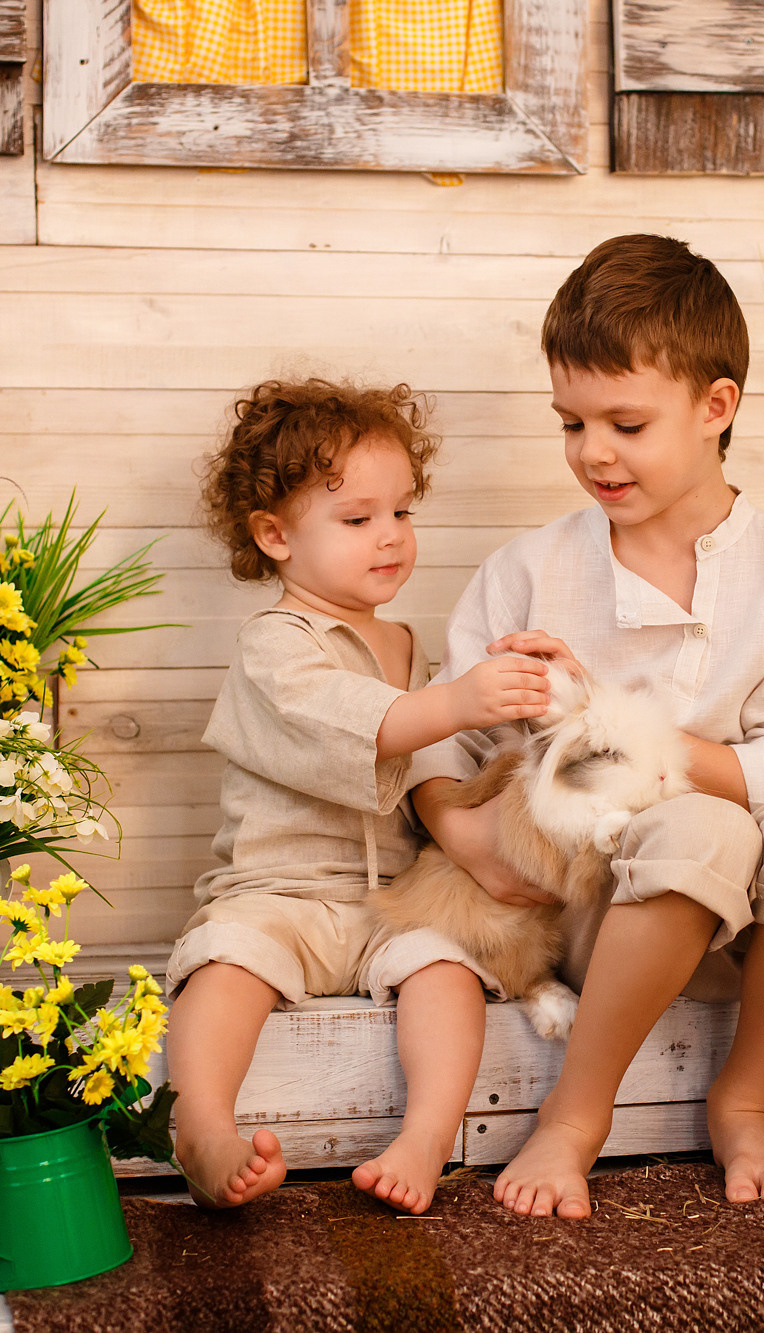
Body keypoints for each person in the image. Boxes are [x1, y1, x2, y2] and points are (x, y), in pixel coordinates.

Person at [409, 235, 764, 1219]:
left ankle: (744, 1100)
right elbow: (436, 734)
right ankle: (574, 1118)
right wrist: (461, 834)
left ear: (716, 407)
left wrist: (622, 737)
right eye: (571, 422)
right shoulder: (530, 569)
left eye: (625, 422)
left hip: (748, 918)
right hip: (600, 903)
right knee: (700, 828)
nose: (593, 452)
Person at [165, 378, 555, 1213]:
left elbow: (436, 762)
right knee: (229, 959)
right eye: (357, 519)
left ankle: (425, 1137)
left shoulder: (407, 642)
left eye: (402, 514)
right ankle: (200, 1121)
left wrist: (517, 692)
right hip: (283, 890)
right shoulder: (276, 645)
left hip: (392, 901)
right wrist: (454, 699)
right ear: (274, 535)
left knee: (448, 969)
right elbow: (350, 721)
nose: (390, 538)